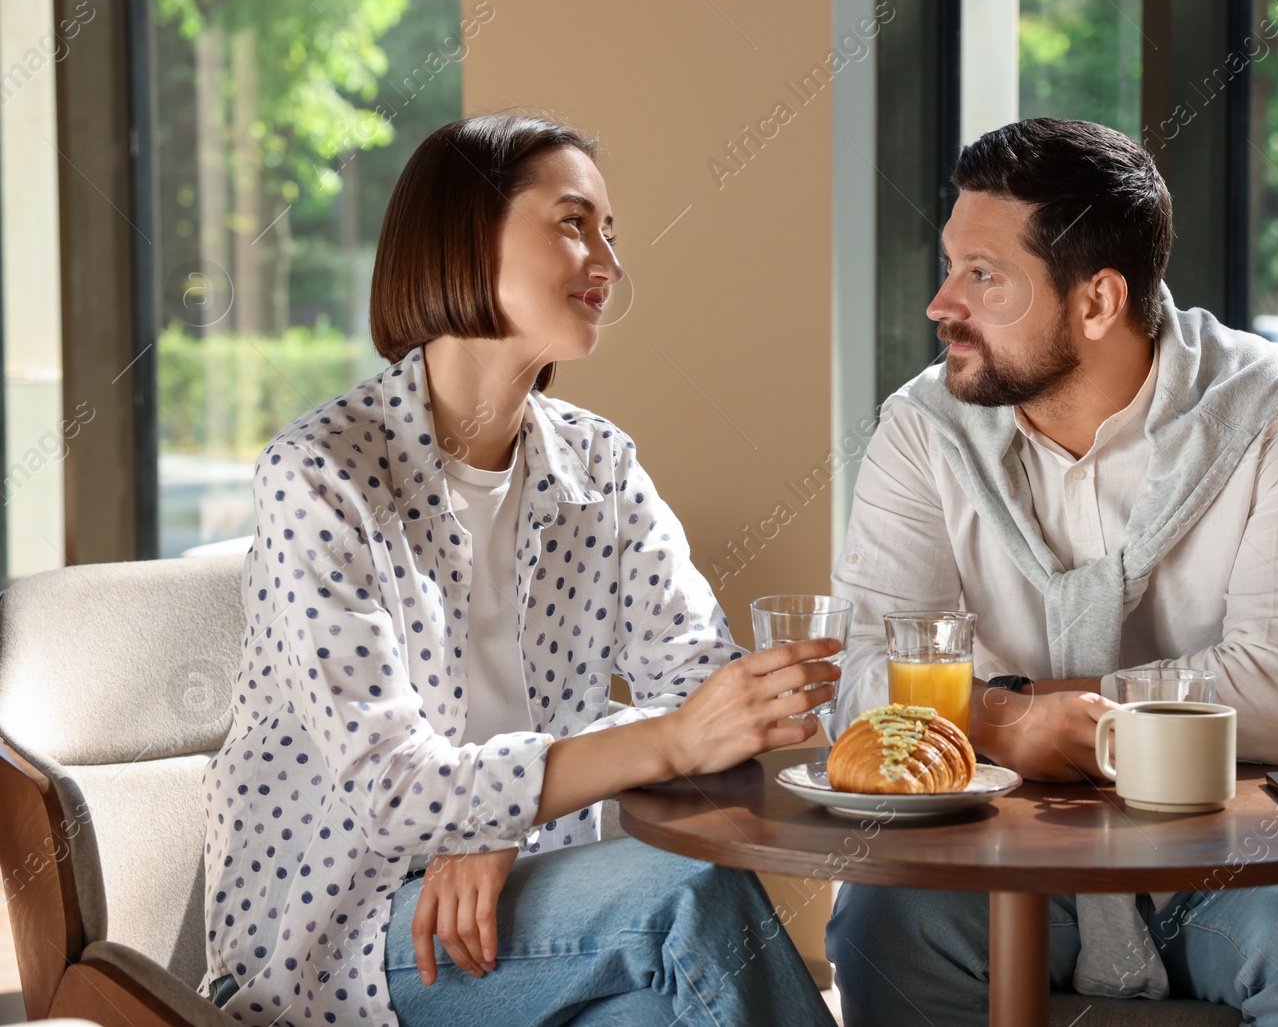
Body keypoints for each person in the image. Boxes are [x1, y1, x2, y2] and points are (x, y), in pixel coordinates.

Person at [199, 113, 839, 1027]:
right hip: (343, 936)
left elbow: (705, 690)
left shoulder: (599, 466)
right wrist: (641, 748)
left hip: (522, 907)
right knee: (691, 898)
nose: (608, 261)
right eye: (575, 222)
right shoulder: (321, 475)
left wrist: (505, 821)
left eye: (610, 233)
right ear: (465, 234)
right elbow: (396, 790)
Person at [824, 118, 1278, 1025]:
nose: (940, 303)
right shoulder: (923, 426)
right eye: (950, 266)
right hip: (1001, 853)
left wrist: (1021, 708)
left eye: (983, 276)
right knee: (880, 925)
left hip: (1250, 852)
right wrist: (999, 716)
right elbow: (860, 680)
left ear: (1097, 301)